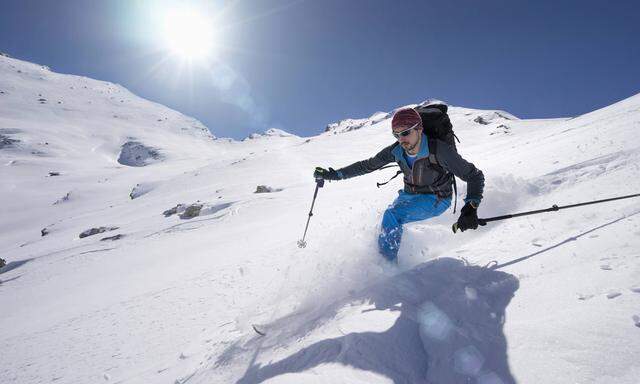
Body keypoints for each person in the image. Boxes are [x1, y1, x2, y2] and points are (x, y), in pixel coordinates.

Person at [314, 106, 485, 262]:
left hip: (437, 198)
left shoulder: (439, 150)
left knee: (392, 216)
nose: (401, 139)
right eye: (396, 134)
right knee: (384, 222)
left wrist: (470, 208)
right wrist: (335, 174)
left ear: (419, 129)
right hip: (409, 194)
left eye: (405, 133)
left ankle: (386, 266)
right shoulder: (396, 150)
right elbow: (367, 165)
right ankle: (393, 256)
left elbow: (474, 176)